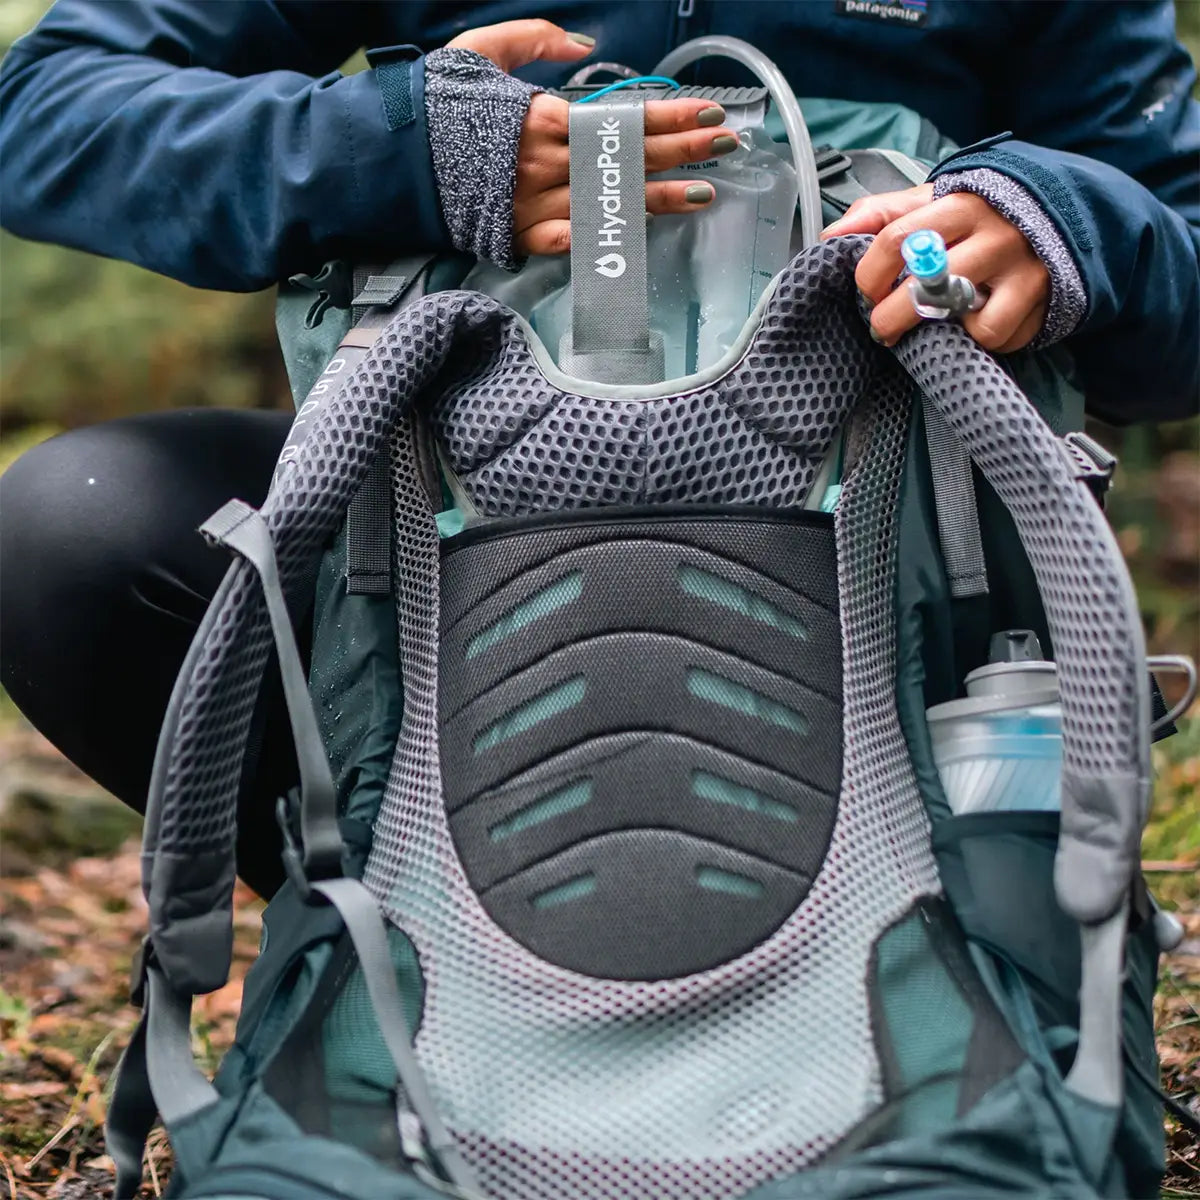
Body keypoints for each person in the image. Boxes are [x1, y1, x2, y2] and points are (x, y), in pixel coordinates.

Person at [0, 2, 1196, 897]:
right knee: (82, 527)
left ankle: (951, 941)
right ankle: (394, 938)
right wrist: (395, 150)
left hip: (910, 554)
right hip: (445, 525)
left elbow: (1178, 265)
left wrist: (1060, 226)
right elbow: (45, 111)